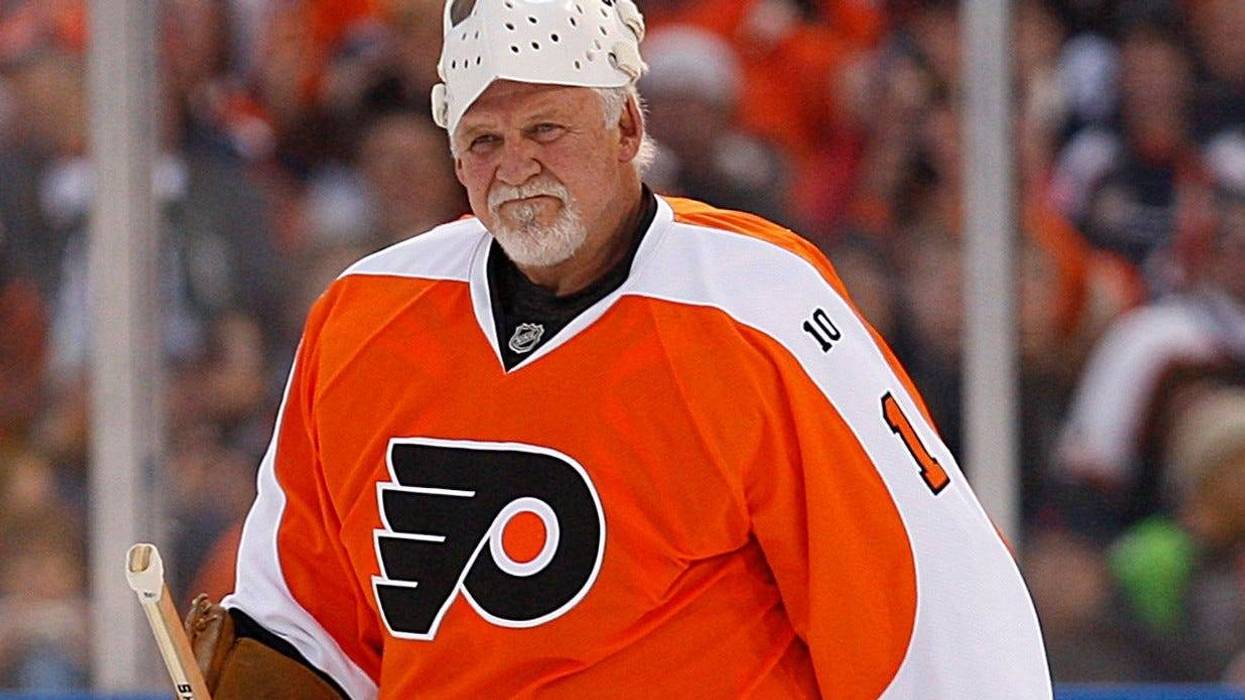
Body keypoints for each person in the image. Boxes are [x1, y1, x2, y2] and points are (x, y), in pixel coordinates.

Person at [191, 1, 1051, 697]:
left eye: (547, 128)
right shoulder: (364, 314)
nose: (516, 165)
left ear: (628, 127)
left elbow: (936, 605)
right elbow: (305, 616)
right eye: (484, 141)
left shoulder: (757, 305)